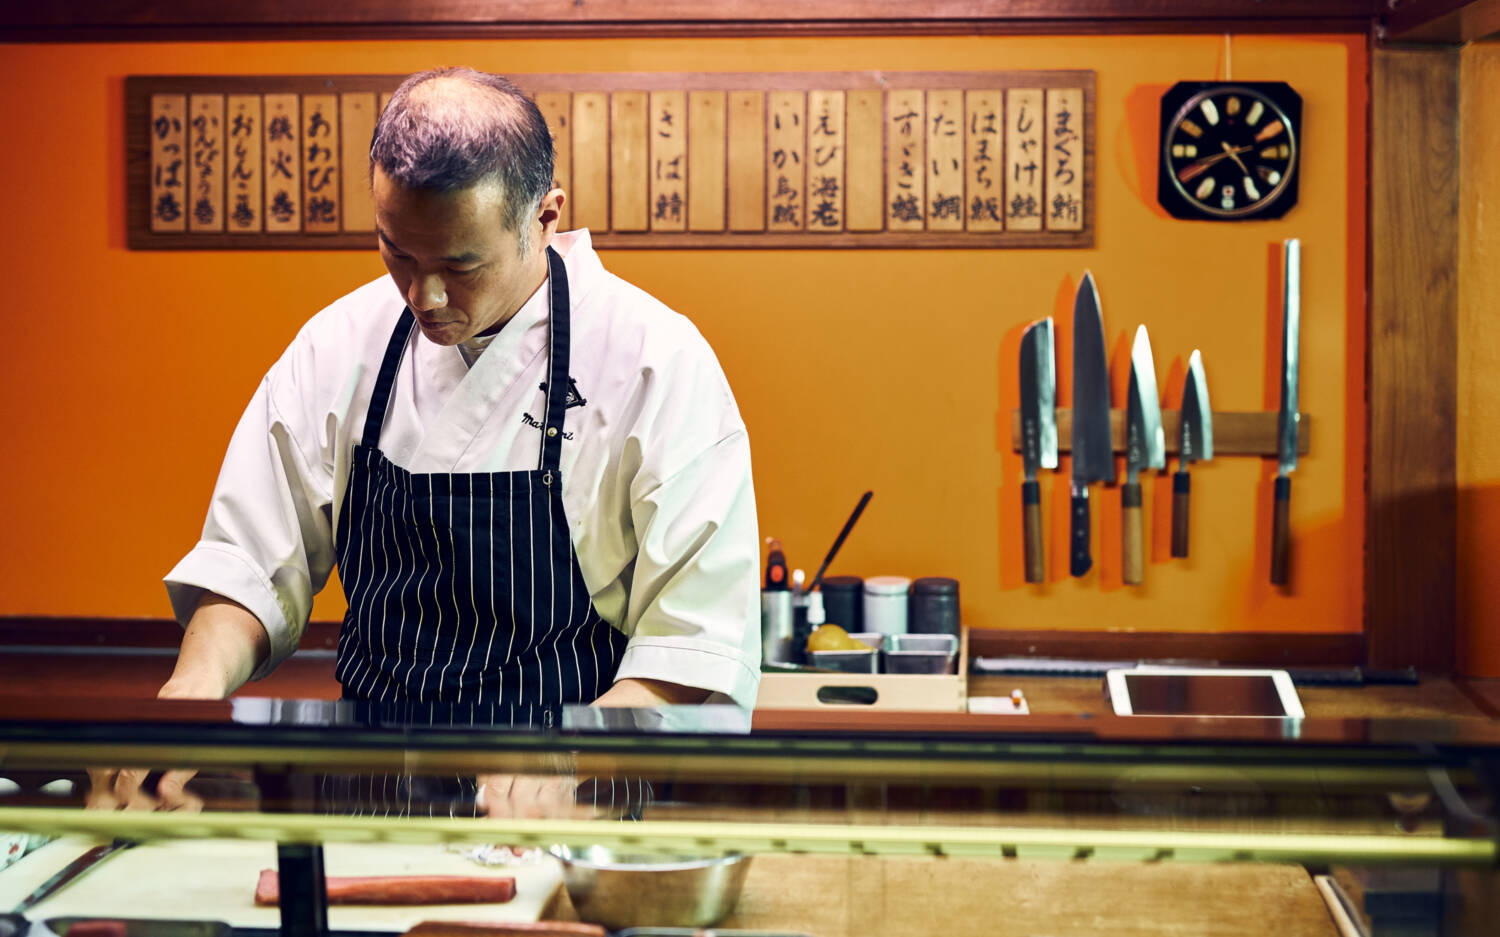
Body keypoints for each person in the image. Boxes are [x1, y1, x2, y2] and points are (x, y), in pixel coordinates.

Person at [90, 67, 760, 813]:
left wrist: (577, 754)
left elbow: (696, 634)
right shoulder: (340, 344)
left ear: (544, 217)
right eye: (398, 254)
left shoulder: (655, 359)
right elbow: (251, 559)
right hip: (366, 797)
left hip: (567, 805)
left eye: (458, 265)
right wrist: (190, 694)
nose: (424, 296)